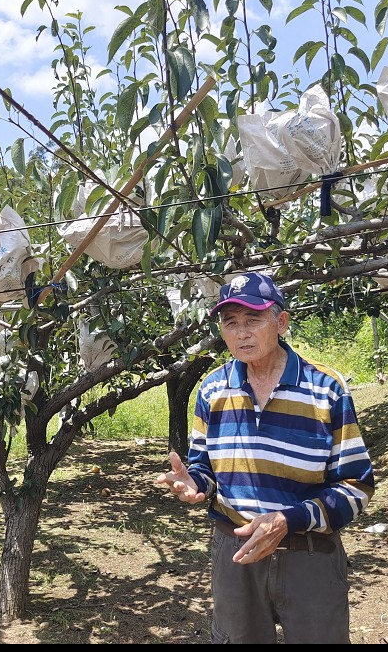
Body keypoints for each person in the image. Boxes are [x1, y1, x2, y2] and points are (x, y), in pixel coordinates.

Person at [155, 271, 376, 644]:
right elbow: (203, 467)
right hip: (235, 554)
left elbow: (356, 486)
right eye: (231, 323)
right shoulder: (212, 390)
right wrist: (194, 483)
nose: (242, 333)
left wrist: (288, 520)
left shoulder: (325, 389)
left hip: (310, 555)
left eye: (253, 320)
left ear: (281, 322)